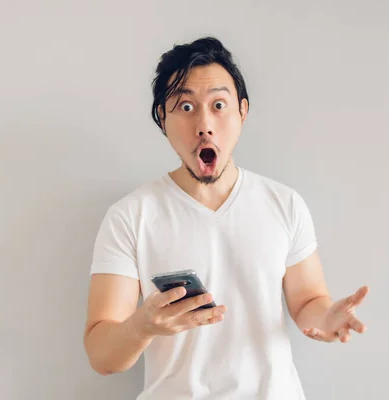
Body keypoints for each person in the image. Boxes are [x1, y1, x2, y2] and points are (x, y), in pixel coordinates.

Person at [83, 36, 370, 400]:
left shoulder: (284, 203)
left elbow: (307, 302)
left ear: (242, 111)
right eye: (185, 107)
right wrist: (142, 327)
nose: (204, 123)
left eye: (218, 104)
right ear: (161, 117)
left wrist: (327, 319)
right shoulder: (130, 216)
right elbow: (101, 355)